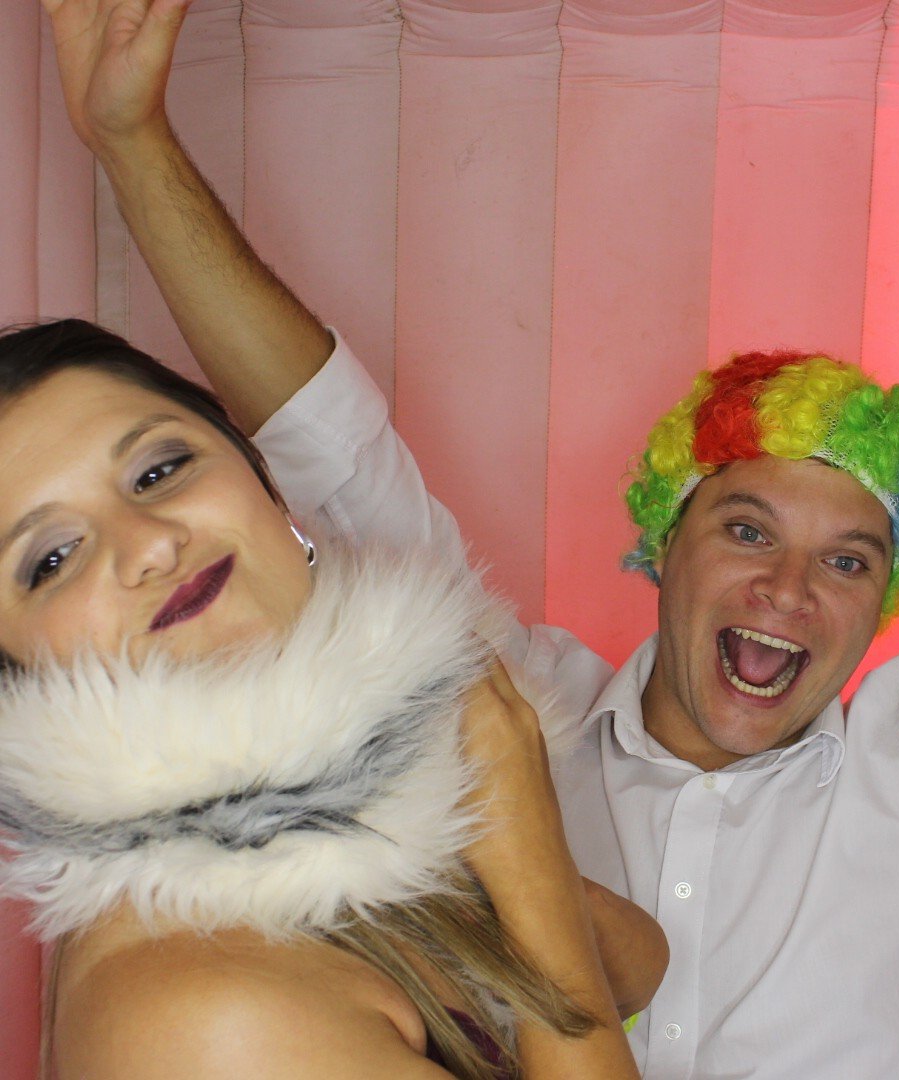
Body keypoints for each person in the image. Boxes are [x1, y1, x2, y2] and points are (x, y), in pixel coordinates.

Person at [44, 0, 899, 1075]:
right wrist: (131, 139)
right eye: (747, 528)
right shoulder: (508, 703)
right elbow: (332, 446)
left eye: (847, 560)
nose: (790, 588)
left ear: (886, 599)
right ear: (665, 543)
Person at [0, 319, 665, 1079]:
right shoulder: (203, 1020)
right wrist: (524, 843)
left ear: (264, 480)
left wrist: (499, 840)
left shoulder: (351, 812)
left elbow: (640, 963)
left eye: (159, 472)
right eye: (52, 558)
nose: (151, 544)